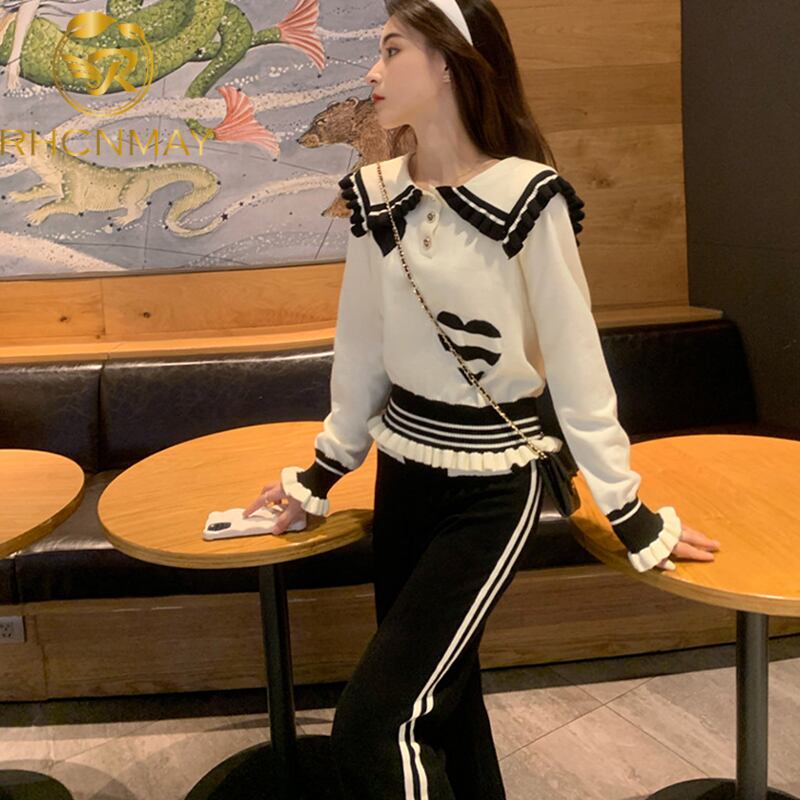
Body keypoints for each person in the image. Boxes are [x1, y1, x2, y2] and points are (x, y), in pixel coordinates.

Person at [244, 0, 721, 797]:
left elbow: (575, 359)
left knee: (376, 725)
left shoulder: (528, 195)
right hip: (404, 475)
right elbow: (360, 349)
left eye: (392, 50)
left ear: (446, 63)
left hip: (495, 484)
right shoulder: (373, 192)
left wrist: (626, 505)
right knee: (444, 705)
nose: (372, 72)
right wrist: (321, 474)